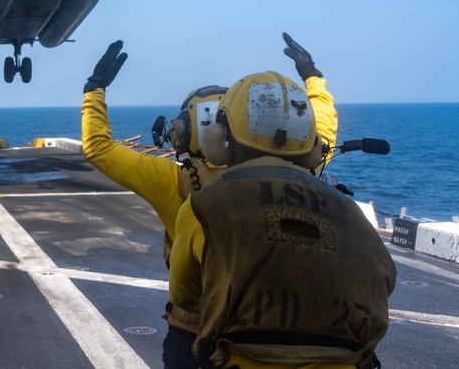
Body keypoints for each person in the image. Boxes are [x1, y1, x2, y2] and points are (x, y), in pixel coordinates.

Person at [80, 34, 337, 369]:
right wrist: (312, 76)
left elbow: (99, 147)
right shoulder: (300, 168)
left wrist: (94, 89)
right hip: (280, 332)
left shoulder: (174, 180)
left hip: (196, 329)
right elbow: (322, 132)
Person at [168, 71, 396, 369]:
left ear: (219, 136)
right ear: (313, 145)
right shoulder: (350, 211)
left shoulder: (202, 205)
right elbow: (385, 280)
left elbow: (184, 295)